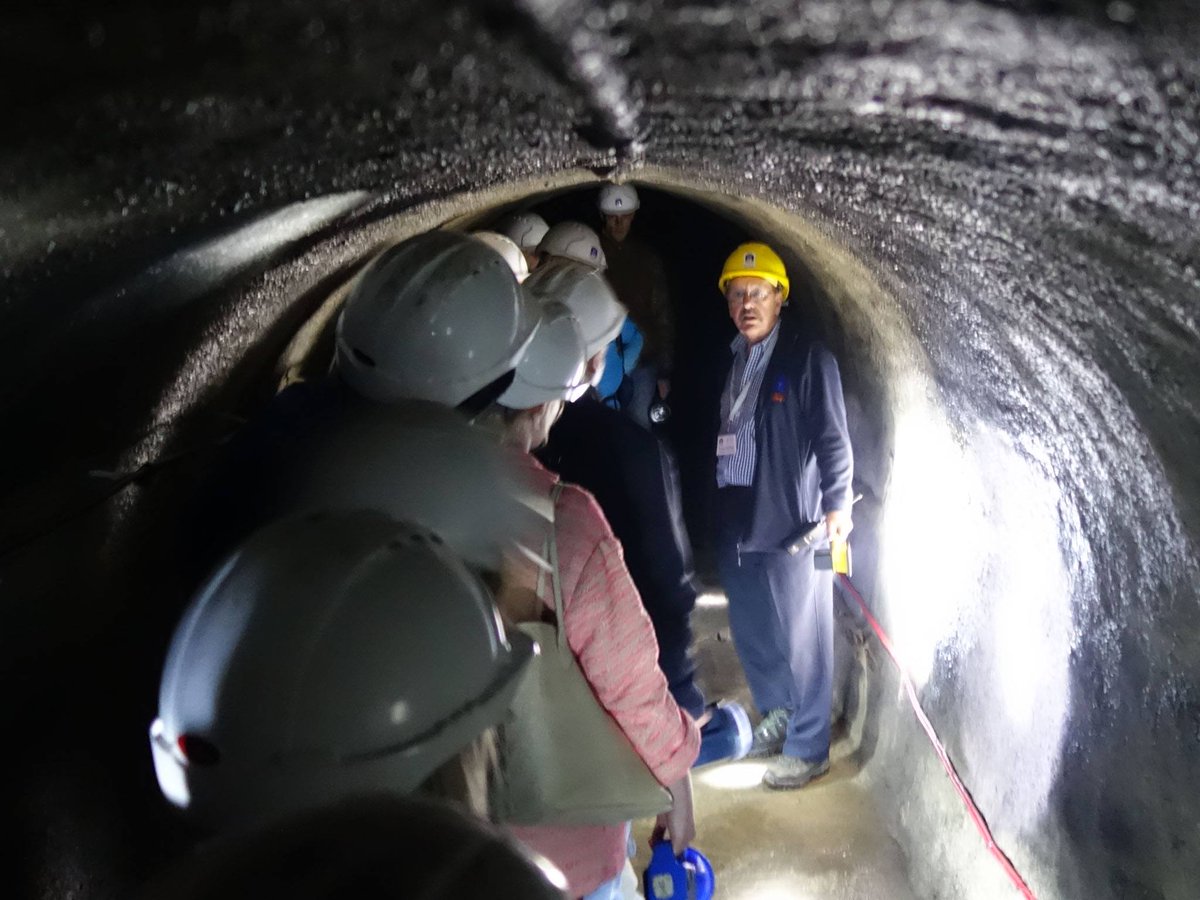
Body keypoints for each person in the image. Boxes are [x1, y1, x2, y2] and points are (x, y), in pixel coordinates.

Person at [492, 268, 700, 900]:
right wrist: (676, 776)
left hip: (439, 846)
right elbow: (630, 677)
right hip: (564, 846)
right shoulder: (563, 517)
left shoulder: (386, 493)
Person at [711, 242, 854, 790]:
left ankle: (809, 745)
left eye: (758, 293)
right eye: (737, 293)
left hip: (799, 522)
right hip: (740, 514)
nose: (747, 303)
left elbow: (833, 437)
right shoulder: (736, 358)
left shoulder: (806, 357)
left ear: (780, 297)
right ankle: (779, 711)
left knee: (806, 635)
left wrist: (837, 506)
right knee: (754, 626)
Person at [596, 183, 673, 429]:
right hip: (599, 362)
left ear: (634, 216)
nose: (618, 223)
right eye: (612, 217)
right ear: (603, 216)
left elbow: (662, 316)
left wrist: (664, 370)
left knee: (639, 427)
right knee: (600, 426)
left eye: (624, 216)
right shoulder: (590, 253)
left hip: (643, 362)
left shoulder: (647, 259)